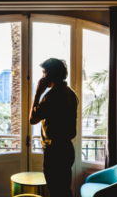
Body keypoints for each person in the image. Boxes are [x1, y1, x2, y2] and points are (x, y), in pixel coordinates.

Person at [29, 58, 79, 197]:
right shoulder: (71, 94)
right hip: (67, 149)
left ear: (51, 74)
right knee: (64, 190)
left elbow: (32, 119)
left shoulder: (52, 96)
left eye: (44, 73)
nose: (42, 77)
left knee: (56, 190)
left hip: (55, 151)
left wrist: (38, 93)